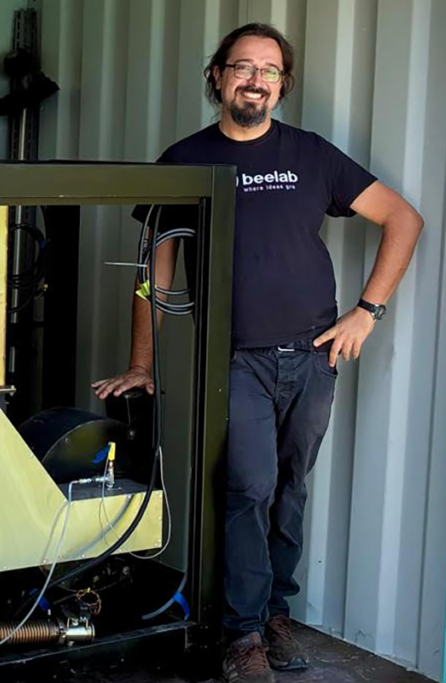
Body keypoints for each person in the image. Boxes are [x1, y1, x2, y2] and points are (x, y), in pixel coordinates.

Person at [91, 23, 422, 683]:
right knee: (249, 488)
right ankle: (241, 634)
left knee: (290, 488)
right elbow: (152, 273)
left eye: (268, 70)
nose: (255, 80)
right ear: (217, 76)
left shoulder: (313, 155)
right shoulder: (184, 160)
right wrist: (141, 364)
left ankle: (273, 612)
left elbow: (403, 219)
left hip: (315, 355)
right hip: (235, 359)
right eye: (242, 67)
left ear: (282, 85)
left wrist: (368, 310)